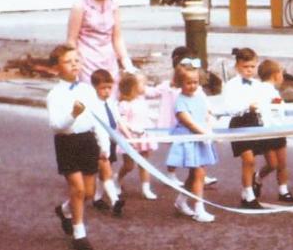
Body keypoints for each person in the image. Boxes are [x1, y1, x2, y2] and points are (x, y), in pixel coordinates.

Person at [46, 44, 111, 250]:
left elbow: (97, 119)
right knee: (78, 189)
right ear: (57, 68)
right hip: (67, 143)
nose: (74, 64)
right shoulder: (54, 94)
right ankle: (79, 232)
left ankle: (65, 210)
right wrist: (72, 114)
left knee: (89, 193)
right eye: (68, 61)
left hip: (87, 142)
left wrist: (104, 145)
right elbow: (57, 125)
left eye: (76, 60)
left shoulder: (86, 90)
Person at [66, 0, 136, 85]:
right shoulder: (80, 6)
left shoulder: (113, 5)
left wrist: (126, 62)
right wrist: (73, 67)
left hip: (109, 62)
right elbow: (71, 40)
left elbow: (117, 38)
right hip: (87, 64)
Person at [166, 67, 217, 223]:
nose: (193, 85)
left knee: (195, 175)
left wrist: (209, 124)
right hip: (190, 140)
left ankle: (181, 201)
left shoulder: (199, 97)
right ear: (180, 83)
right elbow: (189, 122)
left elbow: (207, 113)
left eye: (195, 82)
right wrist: (204, 134)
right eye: (188, 83)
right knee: (199, 174)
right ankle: (198, 209)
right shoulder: (180, 102)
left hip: (202, 138)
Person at [222, 47, 269, 209]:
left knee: (252, 161)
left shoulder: (258, 85)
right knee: (248, 159)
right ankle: (249, 195)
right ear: (237, 66)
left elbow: (263, 103)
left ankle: (246, 191)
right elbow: (229, 108)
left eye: (252, 67)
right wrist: (247, 106)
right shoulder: (231, 85)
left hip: (254, 122)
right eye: (245, 67)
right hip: (239, 123)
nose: (249, 70)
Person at [253, 59, 293, 202]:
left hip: (279, 130)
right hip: (267, 132)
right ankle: (258, 177)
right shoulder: (261, 90)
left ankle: (283, 191)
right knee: (273, 164)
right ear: (275, 75)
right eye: (281, 74)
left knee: (282, 164)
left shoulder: (275, 92)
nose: (282, 77)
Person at [116, 71, 159, 200]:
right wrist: (130, 136)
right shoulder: (124, 104)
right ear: (133, 87)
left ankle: (146, 189)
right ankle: (117, 179)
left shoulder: (141, 99)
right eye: (142, 83)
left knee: (144, 162)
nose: (145, 86)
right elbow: (122, 123)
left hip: (143, 136)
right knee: (129, 165)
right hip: (129, 137)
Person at [89, 68, 126, 217]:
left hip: (110, 140)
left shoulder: (111, 102)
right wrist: (102, 148)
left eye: (109, 87)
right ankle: (115, 201)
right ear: (95, 88)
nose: (106, 91)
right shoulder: (94, 105)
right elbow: (97, 128)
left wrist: (130, 132)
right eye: (103, 88)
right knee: (107, 172)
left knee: (104, 172)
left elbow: (118, 119)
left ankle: (97, 198)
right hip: (99, 142)